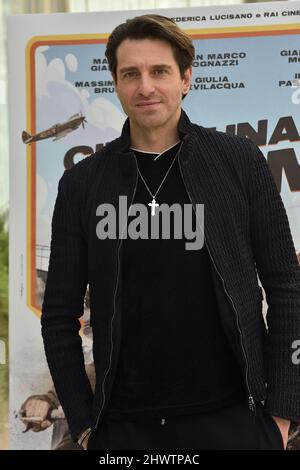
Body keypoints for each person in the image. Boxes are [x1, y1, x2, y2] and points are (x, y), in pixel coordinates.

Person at [41, 14, 300, 450]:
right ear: (116, 84)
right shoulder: (82, 184)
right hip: (122, 428)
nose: (145, 87)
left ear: (186, 79)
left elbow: (286, 286)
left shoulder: (239, 162)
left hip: (235, 420)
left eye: (159, 71)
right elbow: (58, 316)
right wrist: (86, 427)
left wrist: (282, 414)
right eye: (131, 74)